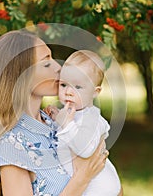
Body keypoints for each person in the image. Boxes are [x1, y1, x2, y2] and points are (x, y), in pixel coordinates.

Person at [0, 30, 110, 196]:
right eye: (46, 62)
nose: (58, 67)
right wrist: (82, 179)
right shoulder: (12, 145)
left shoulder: (54, 121)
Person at [44, 50, 123, 196]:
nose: (68, 91)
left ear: (95, 92)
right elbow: (63, 138)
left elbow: (85, 149)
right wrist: (56, 119)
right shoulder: (69, 114)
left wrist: (65, 124)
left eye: (78, 87)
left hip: (101, 188)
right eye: (63, 85)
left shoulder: (91, 118)